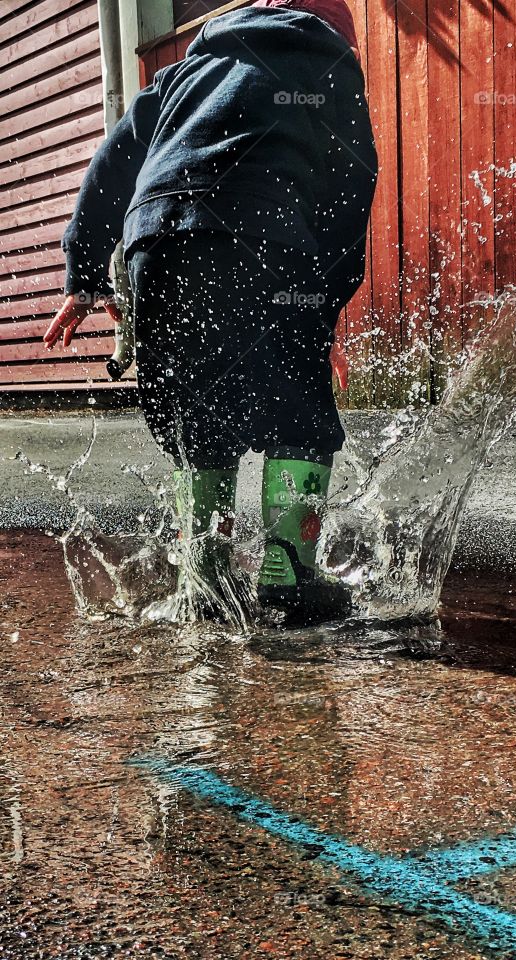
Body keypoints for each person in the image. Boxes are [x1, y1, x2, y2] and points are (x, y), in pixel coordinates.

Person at [44, 0, 378, 620]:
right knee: (298, 413)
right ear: (337, 29)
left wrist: (86, 274)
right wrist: (321, 310)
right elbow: (349, 192)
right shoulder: (331, 65)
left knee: (199, 417)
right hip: (268, 237)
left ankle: (205, 578)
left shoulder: (184, 73)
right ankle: (286, 577)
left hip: (160, 243)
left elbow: (110, 167)